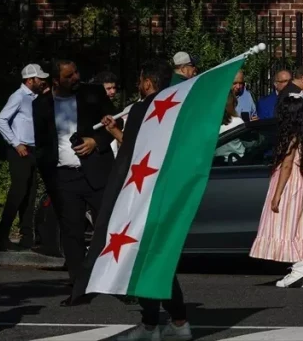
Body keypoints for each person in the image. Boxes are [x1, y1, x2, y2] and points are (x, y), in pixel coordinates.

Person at [99, 60, 192, 341]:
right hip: (168, 189)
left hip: (143, 192)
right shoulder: (176, 105)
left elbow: (134, 150)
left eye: (140, 79)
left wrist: (115, 132)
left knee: (142, 257)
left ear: (148, 82)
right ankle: (163, 322)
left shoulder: (141, 109)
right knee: (156, 257)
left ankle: (166, 323)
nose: (139, 84)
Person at [32, 59, 115, 303]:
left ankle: (121, 284)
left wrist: (95, 142)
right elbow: (42, 144)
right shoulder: (42, 105)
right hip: (64, 177)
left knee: (111, 226)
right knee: (72, 233)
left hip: (96, 172)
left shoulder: (93, 93)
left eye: (76, 72)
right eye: (69, 76)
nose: (76, 78)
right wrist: (49, 175)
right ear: (56, 80)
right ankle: (79, 288)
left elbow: (114, 122)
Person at [249, 92, 303, 288]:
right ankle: (300, 273)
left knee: (282, 226)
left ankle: (300, 265)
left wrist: (277, 195)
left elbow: (287, 165)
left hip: (289, 184)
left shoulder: (290, 135)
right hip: (302, 185)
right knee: (298, 227)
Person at [0, 64, 48, 251]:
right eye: (39, 79)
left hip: (32, 149)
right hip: (20, 151)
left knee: (30, 192)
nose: (42, 82)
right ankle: (2, 234)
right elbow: (1, 120)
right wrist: (15, 143)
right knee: (18, 192)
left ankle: (26, 235)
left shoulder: (36, 98)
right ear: (29, 80)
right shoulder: (19, 96)